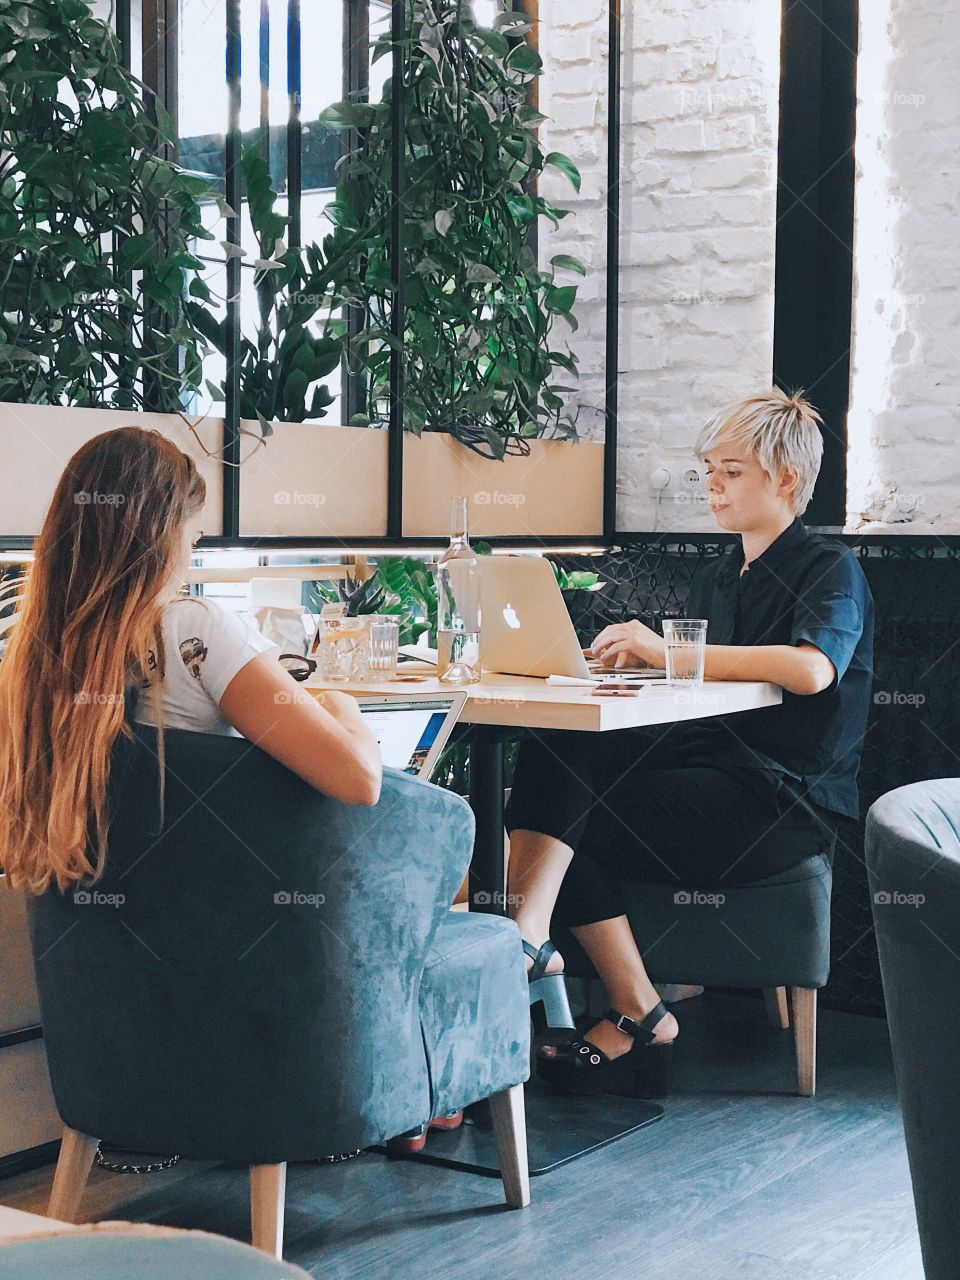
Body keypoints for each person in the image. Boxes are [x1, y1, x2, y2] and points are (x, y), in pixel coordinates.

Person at [505, 388, 874, 1098]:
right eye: (709, 470)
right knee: (555, 754)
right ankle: (550, 947)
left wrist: (667, 653)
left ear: (786, 478)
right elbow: (701, 687)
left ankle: (611, 994)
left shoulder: (830, 568)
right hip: (706, 770)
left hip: (780, 801)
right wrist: (631, 671)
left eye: (731, 472)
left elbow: (810, 670)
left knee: (565, 823)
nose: (712, 485)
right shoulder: (717, 576)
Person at [0, 427, 382, 896]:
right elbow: (359, 780)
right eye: (192, 533)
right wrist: (342, 706)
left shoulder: (32, 653)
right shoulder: (190, 629)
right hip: (206, 914)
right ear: (160, 534)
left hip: (85, 928)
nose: (193, 545)